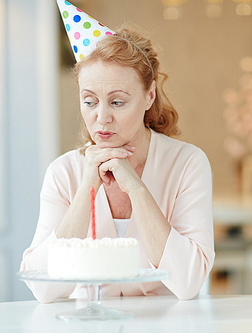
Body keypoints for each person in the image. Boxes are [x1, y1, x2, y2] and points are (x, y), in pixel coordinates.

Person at [20, 20, 214, 302]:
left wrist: (137, 189)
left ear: (149, 96)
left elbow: (188, 283)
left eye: (117, 102)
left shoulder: (187, 163)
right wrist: (87, 188)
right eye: (89, 101)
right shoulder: (64, 172)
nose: (101, 117)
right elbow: (44, 289)